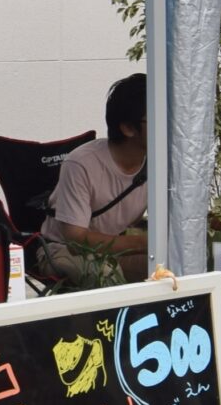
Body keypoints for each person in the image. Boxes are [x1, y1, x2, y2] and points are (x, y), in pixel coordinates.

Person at [41, 73, 149, 286]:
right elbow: (75, 238)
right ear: (128, 128)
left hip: (118, 246)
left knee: (178, 266)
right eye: (157, 117)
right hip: (61, 249)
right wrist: (142, 243)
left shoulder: (162, 160)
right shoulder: (81, 163)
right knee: (106, 274)